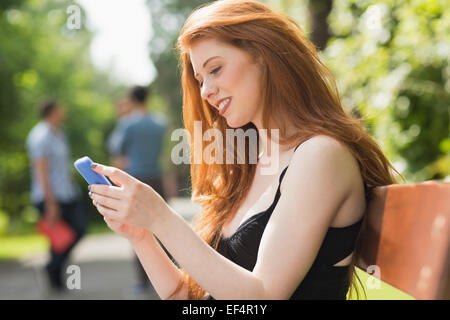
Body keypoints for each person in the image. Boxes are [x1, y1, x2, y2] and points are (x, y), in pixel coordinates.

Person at [87, 0, 400, 300]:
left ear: (262, 55)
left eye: (216, 69)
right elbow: (186, 295)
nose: (206, 91)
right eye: (199, 79)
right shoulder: (251, 163)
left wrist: (161, 217)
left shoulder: (320, 156)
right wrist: (141, 234)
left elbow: (264, 296)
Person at [109, 86, 172, 295]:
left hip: (135, 179)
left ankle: (143, 282)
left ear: (131, 100)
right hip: (156, 178)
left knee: (138, 230)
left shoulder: (128, 124)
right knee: (162, 227)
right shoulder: (160, 123)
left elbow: (117, 150)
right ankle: (169, 277)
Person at [26, 99, 86, 292]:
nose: (63, 111)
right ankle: (54, 274)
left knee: (77, 231)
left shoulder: (60, 133)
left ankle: (54, 269)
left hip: (67, 193)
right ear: (52, 111)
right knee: (61, 236)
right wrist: (50, 202)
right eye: (60, 108)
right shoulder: (40, 136)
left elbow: (62, 165)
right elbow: (41, 171)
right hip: (50, 196)